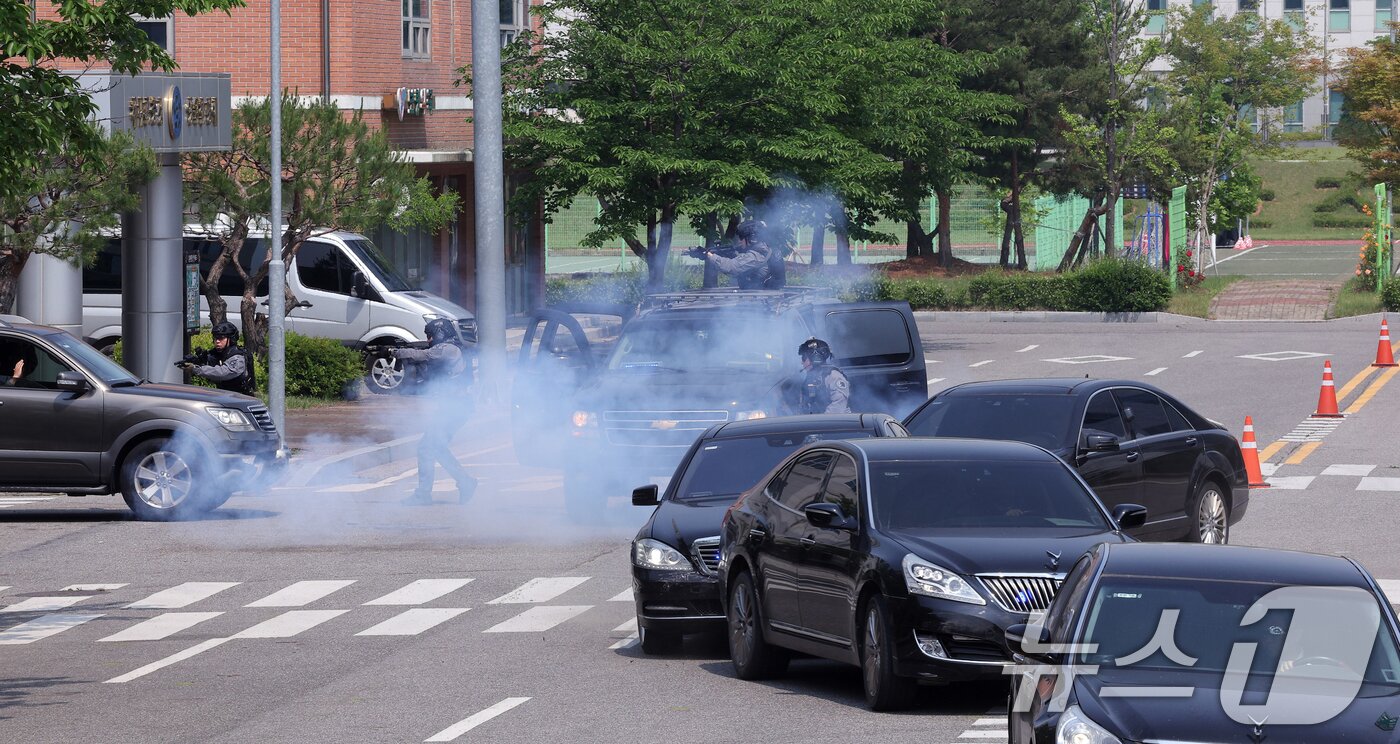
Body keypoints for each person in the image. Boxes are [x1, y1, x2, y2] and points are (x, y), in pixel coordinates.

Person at [390, 317, 477, 506]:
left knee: (427, 447)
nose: (429, 340)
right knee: (435, 447)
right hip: (455, 407)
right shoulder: (453, 348)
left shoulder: (449, 349)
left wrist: (395, 352)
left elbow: (424, 355)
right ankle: (465, 482)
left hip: (455, 407)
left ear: (439, 333)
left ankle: (424, 494)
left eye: (430, 335)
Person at [689, 220, 775, 289]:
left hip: (759, 300)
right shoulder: (762, 249)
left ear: (751, 239)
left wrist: (708, 255)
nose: (739, 241)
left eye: (741, 238)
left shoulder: (756, 256)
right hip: (759, 297)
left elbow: (731, 267)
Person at [177, 322, 256, 395]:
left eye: (221, 338)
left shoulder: (237, 357)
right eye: (215, 338)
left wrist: (196, 369)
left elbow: (222, 373)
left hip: (241, 397)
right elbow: (209, 362)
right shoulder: (218, 353)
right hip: (225, 395)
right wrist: (196, 361)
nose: (217, 341)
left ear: (231, 339)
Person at [795, 337, 850, 414]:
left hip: (837, 421)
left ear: (815, 358)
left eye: (804, 358)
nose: (802, 362)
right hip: (817, 420)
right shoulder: (810, 377)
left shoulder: (834, 376)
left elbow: (838, 407)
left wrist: (818, 420)